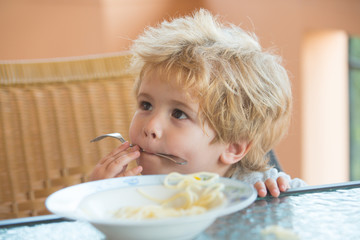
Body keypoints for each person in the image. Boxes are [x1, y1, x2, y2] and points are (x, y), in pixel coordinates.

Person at [90, 9, 306, 197]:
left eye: (178, 114)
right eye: (146, 105)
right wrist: (96, 198)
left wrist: (283, 203)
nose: (150, 127)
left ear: (233, 147)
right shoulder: (124, 190)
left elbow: (321, 208)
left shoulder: (258, 190)